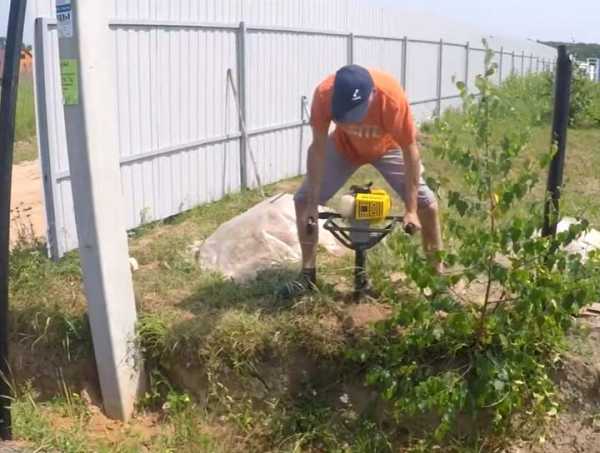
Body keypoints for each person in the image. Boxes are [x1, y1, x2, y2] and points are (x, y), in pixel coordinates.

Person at [284, 64, 443, 296]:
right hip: (344, 147)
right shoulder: (324, 94)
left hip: (388, 147)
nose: (353, 123)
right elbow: (317, 149)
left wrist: (410, 209)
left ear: (373, 95)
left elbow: (411, 152)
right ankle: (308, 276)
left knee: (427, 204)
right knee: (302, 200)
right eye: (346, 117)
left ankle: (438, 283)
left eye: (356, 114)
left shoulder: (391, 98)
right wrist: (311, 203)